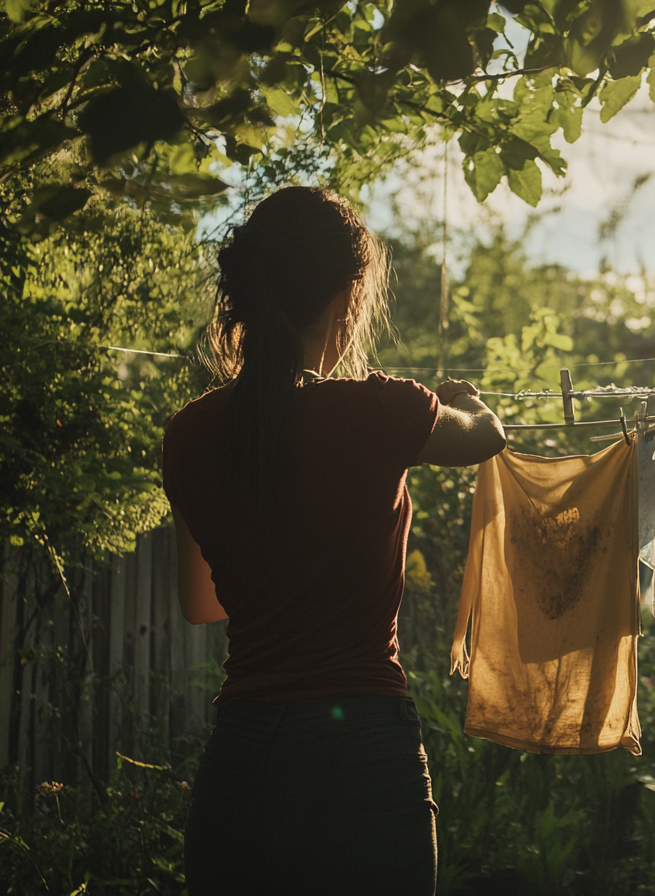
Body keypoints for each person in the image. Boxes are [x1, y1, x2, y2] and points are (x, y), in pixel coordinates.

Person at [163, 186, 506, 896]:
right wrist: (464, 398)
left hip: (244, 760)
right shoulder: (383, 409)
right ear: (351, 297)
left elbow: (201, 603)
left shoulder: (190, 433)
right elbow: (487, 437)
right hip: (363, 757)